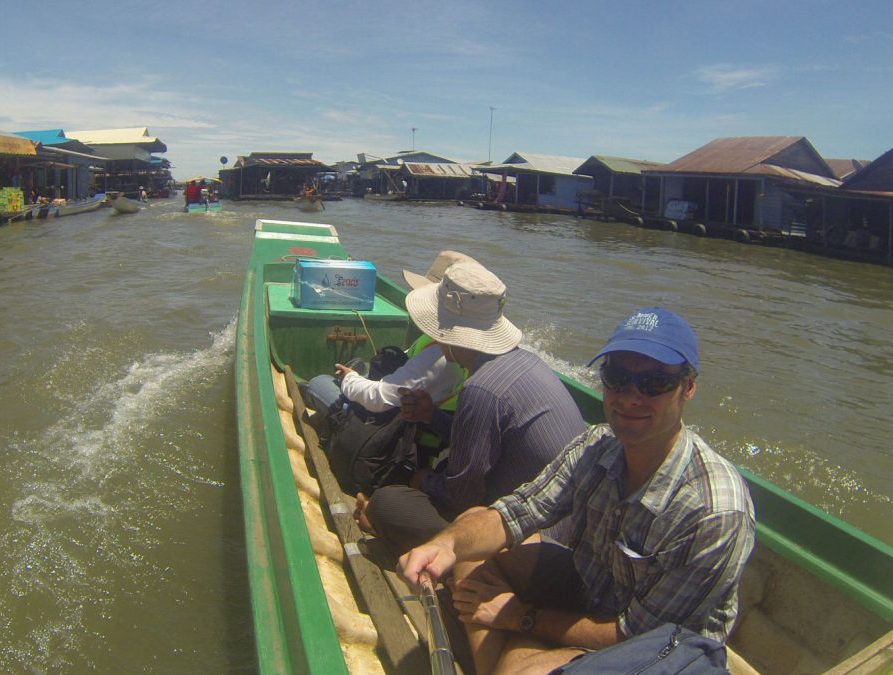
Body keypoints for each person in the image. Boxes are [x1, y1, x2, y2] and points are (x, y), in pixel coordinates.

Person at [398, 307, 756, 675]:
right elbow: (520, 510)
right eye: (617, 377)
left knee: (519, 667)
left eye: (654, 383)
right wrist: (447, 544)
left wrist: (520, 618)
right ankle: (513, 659)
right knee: (470, 537)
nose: (631, 397)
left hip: (660, 651)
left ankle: (514, 661)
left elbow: (641, 634)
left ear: (688, 388)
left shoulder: (714, 511)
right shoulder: (598, 445)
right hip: (591, 590)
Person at [357, 261, 587, 558]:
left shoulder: (481, 388)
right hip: (562, 528)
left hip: (533, 542)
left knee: (388, 504)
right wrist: (432, 416)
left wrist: (419, 479)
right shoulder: (525, 362)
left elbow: (461, 498)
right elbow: (488, 439)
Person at [303, 250, 476, 417]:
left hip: (391, 425)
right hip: (403, 403)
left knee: (318, 383)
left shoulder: (440, 355)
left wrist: (349, 379)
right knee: (359, 366)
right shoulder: (457, 343)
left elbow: (378, 399)